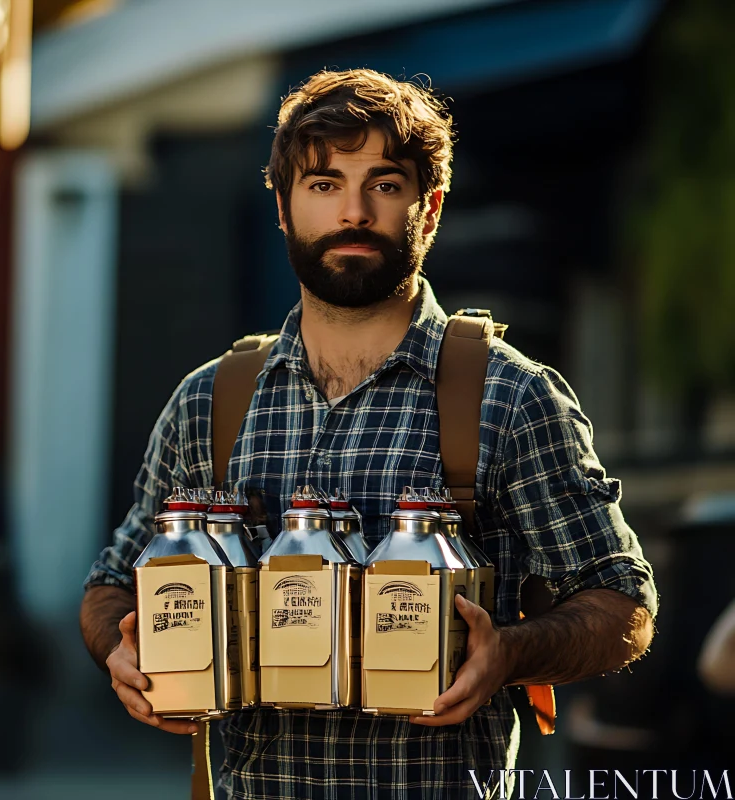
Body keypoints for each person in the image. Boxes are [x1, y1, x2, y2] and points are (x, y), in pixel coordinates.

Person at [80, 69, 658, 799]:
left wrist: (507, 652)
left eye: (383, 185)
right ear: (284, 209)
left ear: (431, 209)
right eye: (323, 185)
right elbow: (110, 586)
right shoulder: (210, 402)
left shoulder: (508, 397)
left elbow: (622, 602)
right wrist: (121, 652)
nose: (353, 211)